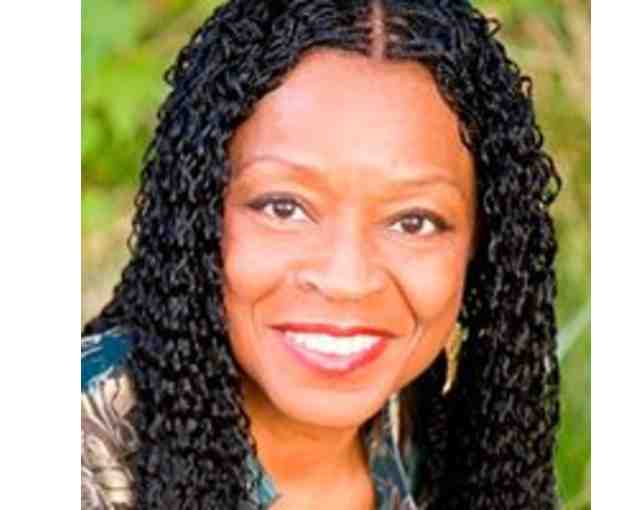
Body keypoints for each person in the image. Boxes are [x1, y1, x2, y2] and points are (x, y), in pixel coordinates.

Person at [81, 1, 562, 509]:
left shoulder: (428, 429)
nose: (346, 279)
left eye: (413, 222)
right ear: (195, 215)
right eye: (283, 208)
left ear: (482, 245)